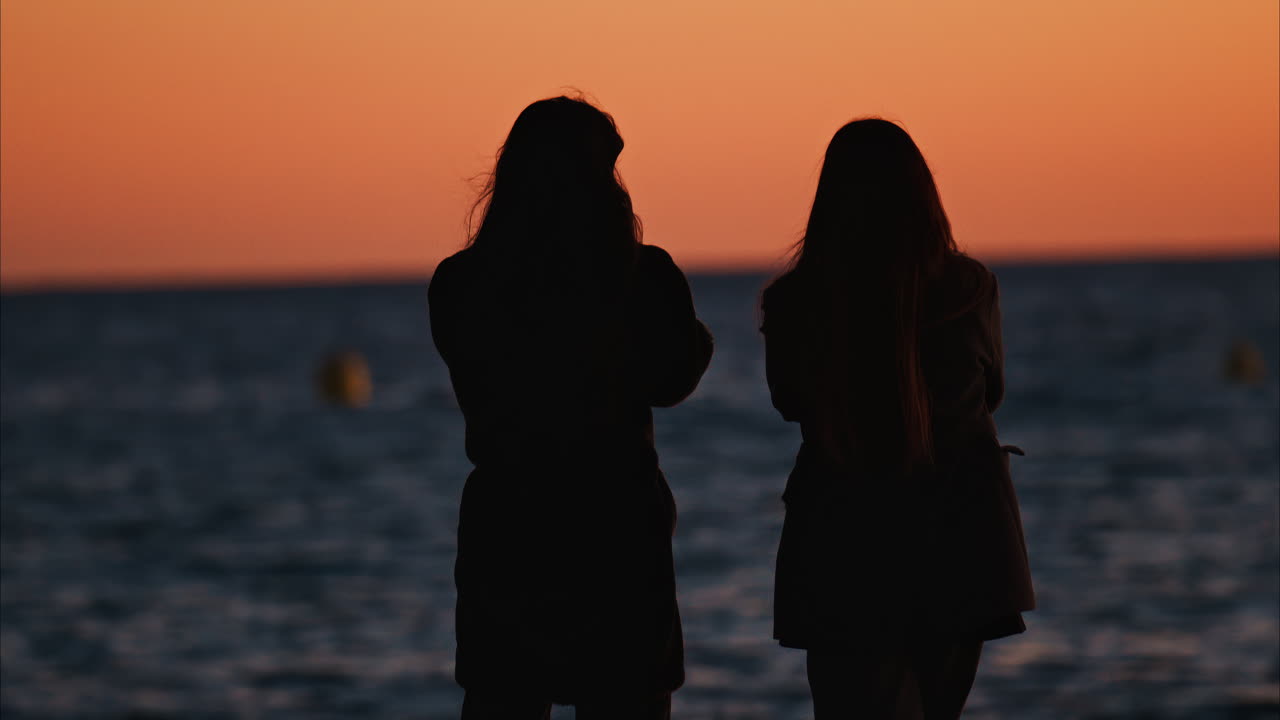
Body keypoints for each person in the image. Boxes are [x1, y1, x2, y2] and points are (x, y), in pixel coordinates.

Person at [429, 96, 713, 720]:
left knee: (504, 699)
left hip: (509, 530)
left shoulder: (460, 283)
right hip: (616, 530)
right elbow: (674, 376)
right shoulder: (641, 275)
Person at [760, 118, 1035, 719]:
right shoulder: (969, 286)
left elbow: (789, 400)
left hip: (844, 536)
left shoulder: (795, 300)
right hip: (961, 531)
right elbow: (989, 391)